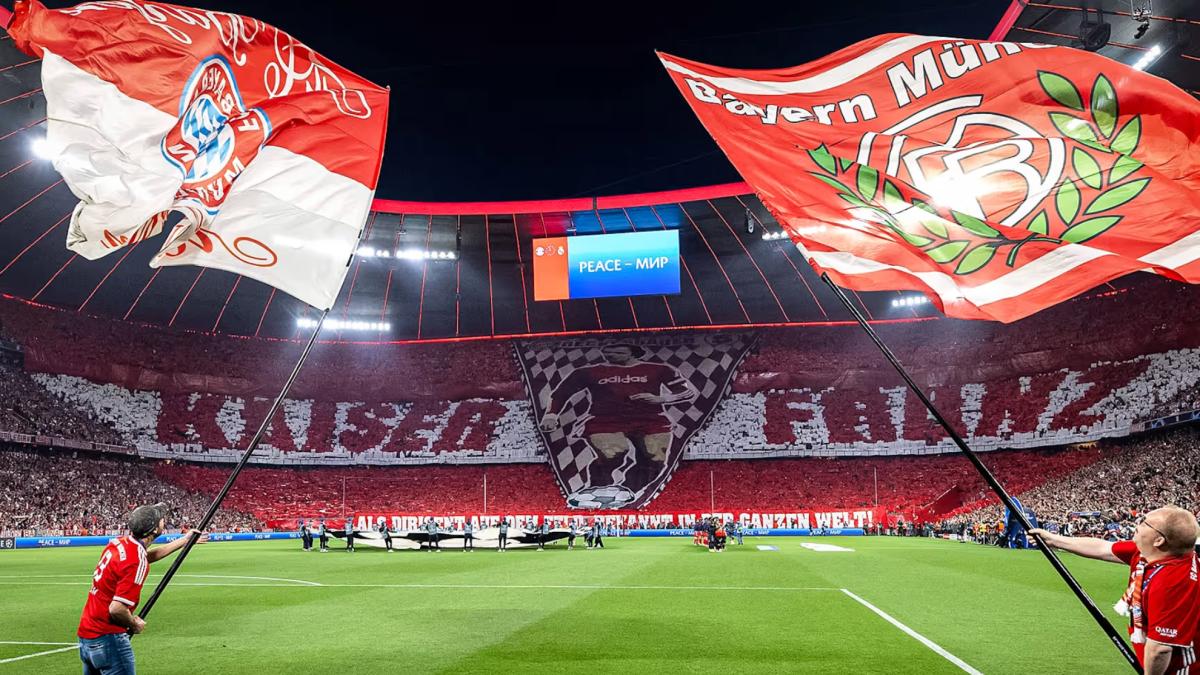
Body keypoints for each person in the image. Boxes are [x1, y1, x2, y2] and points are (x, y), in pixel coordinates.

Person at [1031, 506, 1200, 675]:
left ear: (1159, 540)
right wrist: (1054, 540)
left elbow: (1160, 649)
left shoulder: (1172, 583)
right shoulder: (1152, 553)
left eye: (1145, 522)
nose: (1137, 525)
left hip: (1180, 669)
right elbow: (1103, 549)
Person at [538, 344, 697, 506]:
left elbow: (687, 391)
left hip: (651, 419)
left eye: (618, 352)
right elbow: (561, 393)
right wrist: (551, 415)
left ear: (633, 353)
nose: (612, 355)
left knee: (654, 461)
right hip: (605, 420)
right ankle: (596, 490)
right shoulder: (587, 372)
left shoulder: (659, 370)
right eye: (608, 352)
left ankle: (625, 493)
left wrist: (662, 399)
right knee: (613, 454)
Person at [78, 503, 207, 675]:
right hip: (109, 639)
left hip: (88, 636)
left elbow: (144, 557)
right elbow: (117, 609)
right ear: (153, 530)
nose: (163, 520)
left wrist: (184, 541)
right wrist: (134, 623)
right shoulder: (135, 559)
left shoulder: (119, 543)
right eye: (161, 519)